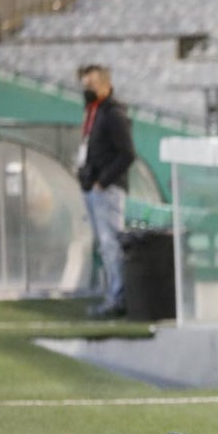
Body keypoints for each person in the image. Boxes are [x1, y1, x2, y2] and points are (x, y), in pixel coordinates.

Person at [76, 64, 136, 318]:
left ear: (105, 85)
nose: (86, 89)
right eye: (84, 85)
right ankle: (113, 293)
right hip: (94, 187)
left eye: (90, 84)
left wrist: (103, 181)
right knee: (105, 245)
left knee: (111, 244)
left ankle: (118, 298)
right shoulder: (95, 112)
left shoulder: (112, 114)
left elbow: (127, 154)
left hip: (107, 190)